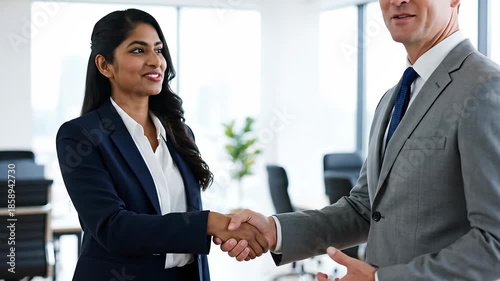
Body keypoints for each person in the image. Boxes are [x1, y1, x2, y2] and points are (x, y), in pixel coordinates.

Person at [217, 0, 500, 280]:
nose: (397, 1)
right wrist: (274, 230)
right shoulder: (393, 98)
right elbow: (365, 209)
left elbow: (495, 243)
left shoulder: (485, 88)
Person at [56, 9, 267, 281]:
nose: (155, 61)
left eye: (158, 49)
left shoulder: (180, 133)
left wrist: (228, 228)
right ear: (104, 65)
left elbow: (179, 217)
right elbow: (114, 228)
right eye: (137, 50)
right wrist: (210, 223)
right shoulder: (81, 135)